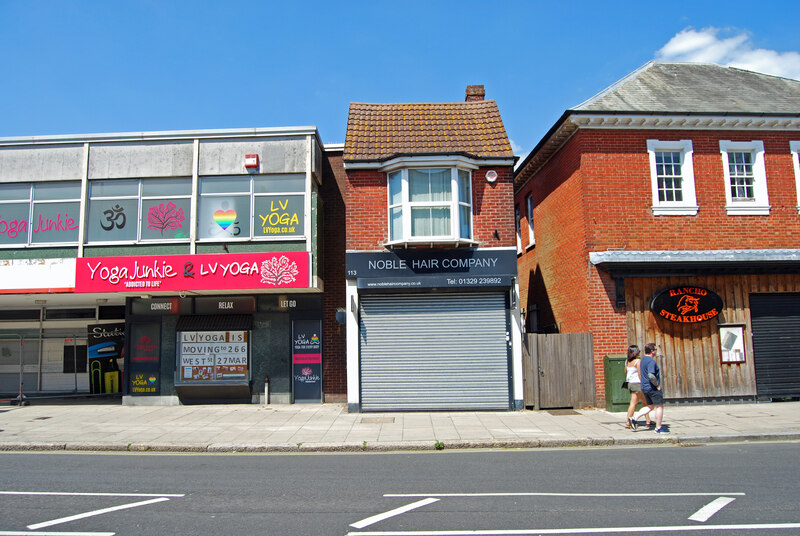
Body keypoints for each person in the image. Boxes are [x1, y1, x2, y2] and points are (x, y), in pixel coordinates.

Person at [629, 342, 668, 433]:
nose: (656, 352)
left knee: (650, 406)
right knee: (659, 406)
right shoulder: (651, 361)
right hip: (652, 387)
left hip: (644, 387)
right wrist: (657, 385)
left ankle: (634, 418)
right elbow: (651, 375)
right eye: (655, 350)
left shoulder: (643, 360)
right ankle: (658, 428)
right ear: (652, 351)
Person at [623, 345, 652, 430]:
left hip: (630, 383)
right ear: (636, 352)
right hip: (637, 384)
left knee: (646, 402)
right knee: (634, 403)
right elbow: (640, 374)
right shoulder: (638, 361)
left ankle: (648, 420)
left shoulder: (627, 361)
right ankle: (628, 422)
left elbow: (625, 372)